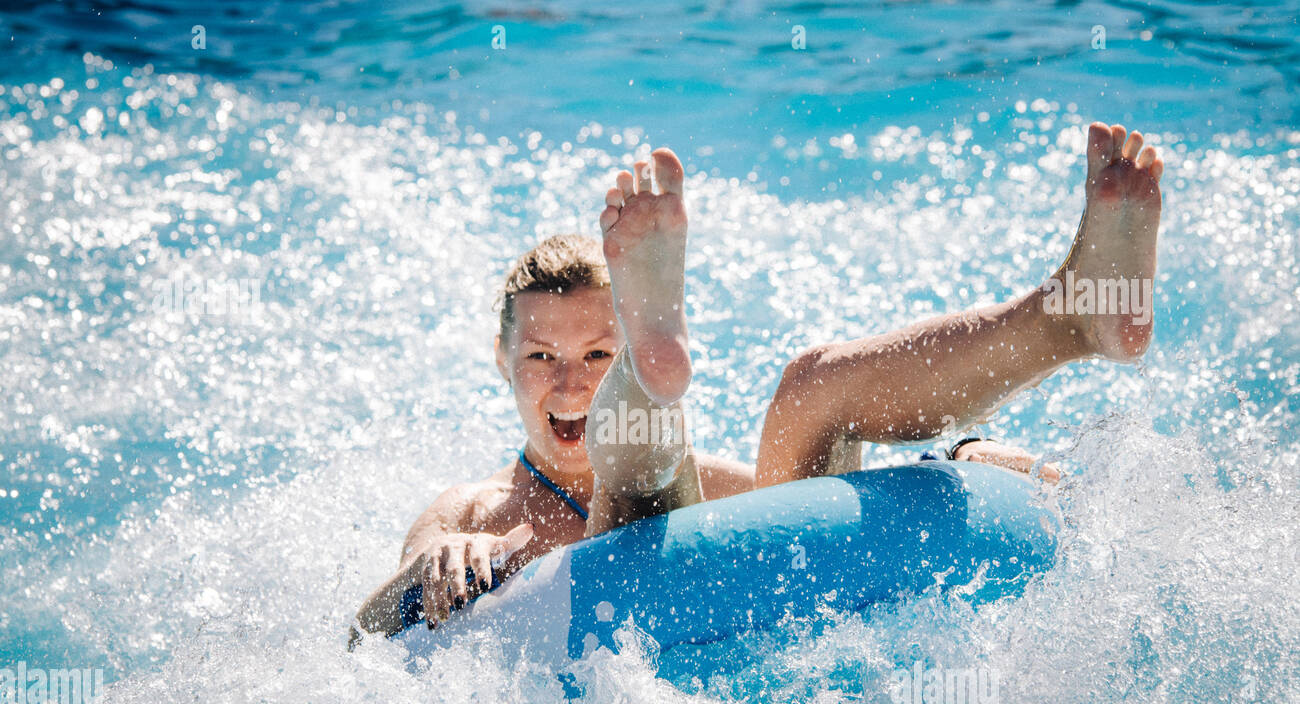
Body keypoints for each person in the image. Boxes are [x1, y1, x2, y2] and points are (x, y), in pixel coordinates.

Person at [349, 122, 1159, 642]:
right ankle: (650, 376)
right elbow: (366, 631)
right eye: (540, 358)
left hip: (741, 644)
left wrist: (974, 458)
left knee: (806, 388)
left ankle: (1068, 318)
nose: (569, 383)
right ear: (501, 362)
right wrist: (431, 565)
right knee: (640, 480)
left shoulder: (716, 478)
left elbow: (846, 494)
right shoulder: (472, 511)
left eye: (598, 356)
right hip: (606, 658)